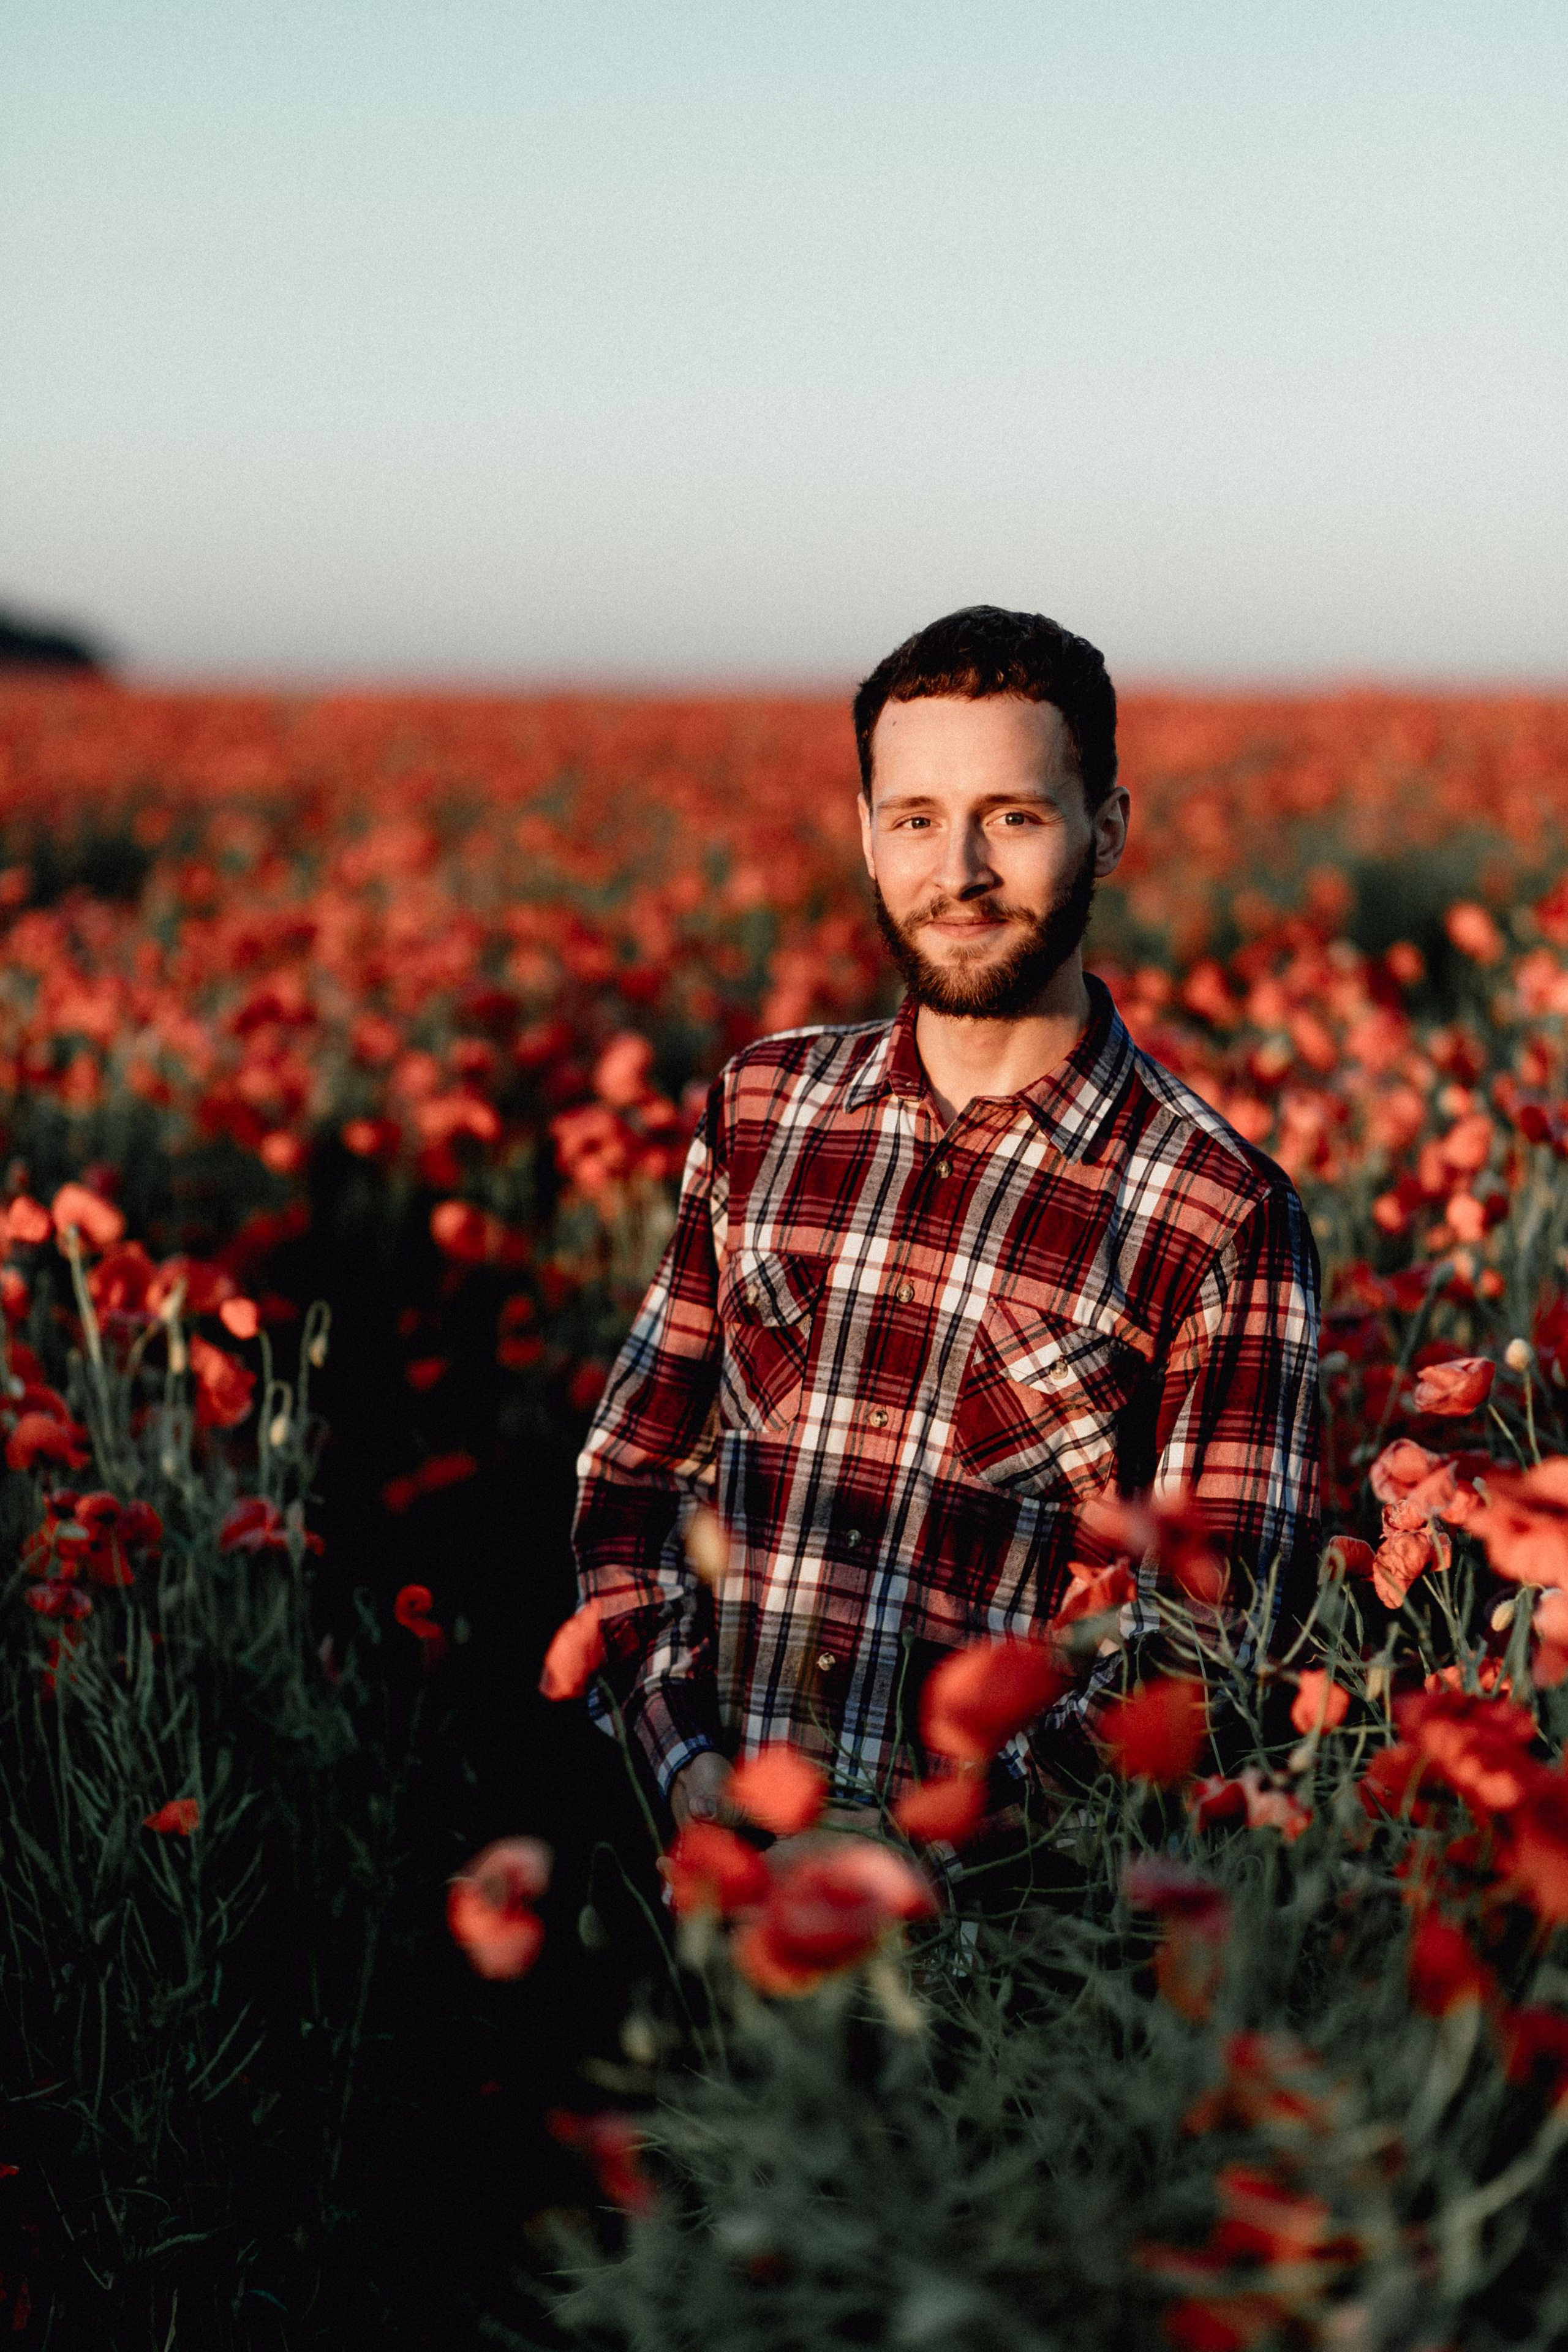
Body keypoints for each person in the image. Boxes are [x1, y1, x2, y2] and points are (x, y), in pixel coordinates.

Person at [571, 606, 1320, 1834]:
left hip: (1008, 1972)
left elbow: (1208, 1642)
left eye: (1013, 818)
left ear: (1107, 832)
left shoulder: (1215, 1210)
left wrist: (936, 1846)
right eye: (914, 819)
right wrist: (684, 1759)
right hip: (724, 1889)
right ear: (866, 838)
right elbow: (632, 1474)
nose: (957, 870)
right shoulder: (763, 1109)